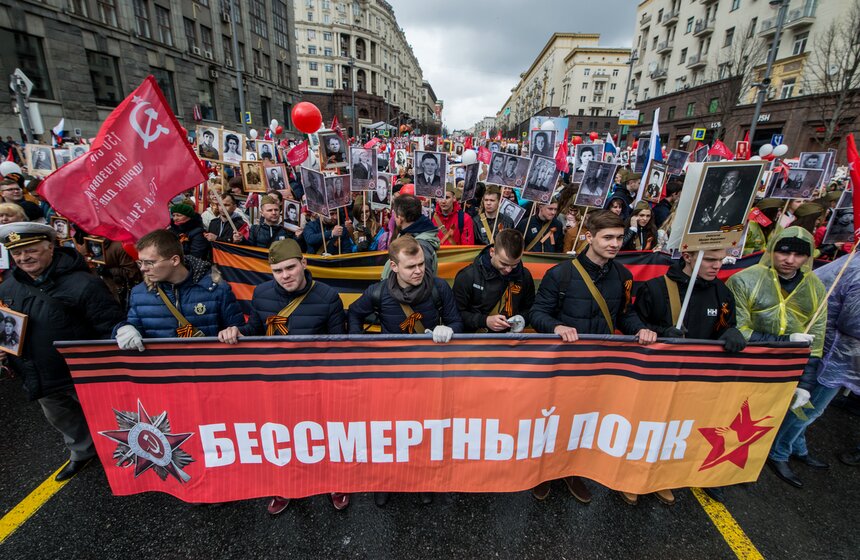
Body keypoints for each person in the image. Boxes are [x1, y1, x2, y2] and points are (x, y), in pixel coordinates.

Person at [529, 210, 658, 503]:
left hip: (599, 366)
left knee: (585, 422)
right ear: (589, 237)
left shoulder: (624, 276)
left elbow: (625, 315)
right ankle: (542, 472)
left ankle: (572, 471)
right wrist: (556, 327)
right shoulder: (560, 274)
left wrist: (640, 329)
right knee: (553, 423)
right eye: (608, 237)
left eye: (619, 238)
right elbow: (538, 313)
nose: (615, 244)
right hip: (562, 365)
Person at [217, 239, 349, 514]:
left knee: (324, 433)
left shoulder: (328, 296)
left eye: (290, 268)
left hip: (315, 379)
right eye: (277, 270)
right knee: (280, 435)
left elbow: (338, 345)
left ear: (303, 263)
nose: (285, 275)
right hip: (275, 379)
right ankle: (284, 485)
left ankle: (335, 482)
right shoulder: (261, 293)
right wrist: (236, 332)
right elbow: (254, 330)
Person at [0, 222, 124, 481]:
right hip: (39, 372)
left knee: (110, 416)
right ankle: (82, 451)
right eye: (17, 253)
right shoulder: (8, 287)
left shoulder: (85, 284)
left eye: (31, 250)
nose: (23, 258)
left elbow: (109, 327)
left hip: (83, 372)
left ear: (51, 247)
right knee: (62, 417)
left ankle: (125, 454)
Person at [347, 236, 463, 506]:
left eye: (421, 264)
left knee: (425, 429)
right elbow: (354, 313)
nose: (419, 270)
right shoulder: (377, 292)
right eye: (411, 266)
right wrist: (359, 347)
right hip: (390, 374)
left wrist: (449, 330)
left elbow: (456, 321)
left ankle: (422, 479)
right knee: (388, 429)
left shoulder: (439, 288)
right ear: (394, 266)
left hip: (428, 373)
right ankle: (385, 479)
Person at [726, 226, 827, 488]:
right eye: (784, 252)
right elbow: (738, 330)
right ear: (772, 250)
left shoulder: (816, 288)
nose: (790, 260)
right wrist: (786, 341)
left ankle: (746, 466)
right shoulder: (745, 279)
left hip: (785, 370)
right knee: (732, 420)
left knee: (766, 420)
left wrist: (805, 384)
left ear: (807, 257)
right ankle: (721, 469)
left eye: (798, 255)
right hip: (746, 365)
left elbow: (816, 339)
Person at [453, 228, 534, 333]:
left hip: (509, 338)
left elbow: (531, 309)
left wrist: (522, 319)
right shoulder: (468, 276)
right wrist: (485, 321)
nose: (508, 270)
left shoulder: (524, 276)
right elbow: (455, 314)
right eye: (504, 263)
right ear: (492, 252)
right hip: (475, 337)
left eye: (514, 264)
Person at [382, 194, 439, 276]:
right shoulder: (407, 235)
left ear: (400, 217)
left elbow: (421, 279)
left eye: (394, 214)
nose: (394, 218)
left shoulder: (421, 246)